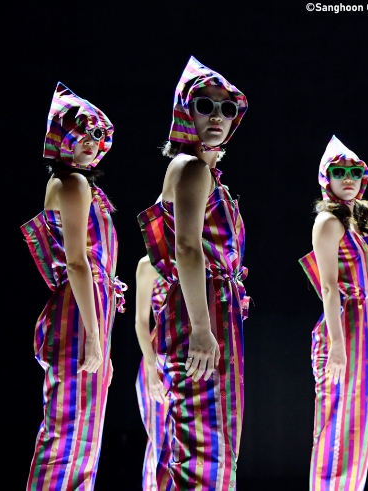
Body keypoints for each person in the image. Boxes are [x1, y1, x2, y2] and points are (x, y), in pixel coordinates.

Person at [137, 56, 249, 491]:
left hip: (212, 309)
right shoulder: (192, 168)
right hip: (199, 313)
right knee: (205, 445)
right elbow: (185, 248)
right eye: (205, 105)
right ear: (185, 111)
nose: (217, 116)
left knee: (209, 440)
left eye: (226, 108)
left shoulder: (201, 172)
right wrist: (202, 327)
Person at [21, 82, 126, 491]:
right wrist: (95, 339)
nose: (91, 140)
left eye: (98, 133)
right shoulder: (72, 184)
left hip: (86, 313)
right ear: (61, 133)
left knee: (81, 436)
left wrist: (102, 341)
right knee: (69, 436)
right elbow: (78, 262)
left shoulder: (79, 185)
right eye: (81, 130)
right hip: (78, 316)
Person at [299, 135, 368, 491]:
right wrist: (337, 345)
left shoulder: (356, 224)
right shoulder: (328, 222)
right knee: (336, 426)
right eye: (339, 172)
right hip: (343, 331)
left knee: (358, 427)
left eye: (355, 171)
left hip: (365, 334)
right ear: (326, 179)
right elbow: (328, 287)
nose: (348, 178)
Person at [134, 255, 170, 490]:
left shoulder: (195, 254)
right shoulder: (148, 265)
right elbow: (140, 321)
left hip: (186, 354)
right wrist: (151, 368)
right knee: (160, 440)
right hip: (157, 359)